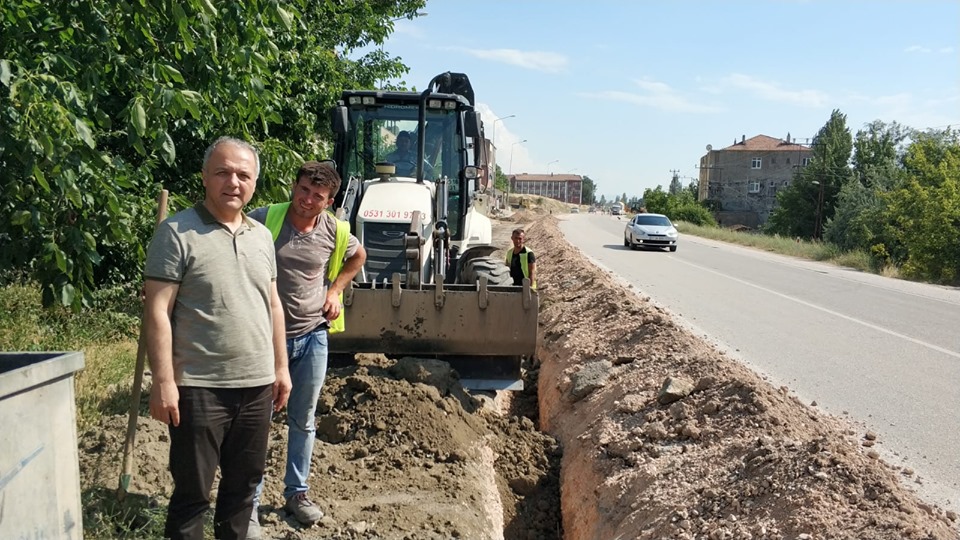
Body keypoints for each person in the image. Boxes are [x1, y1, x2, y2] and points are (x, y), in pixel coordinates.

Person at [143, 136, 292, 540]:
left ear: (254, 184)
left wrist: (280, 367)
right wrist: (163, 382)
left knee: (243, 493)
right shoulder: (177, 233)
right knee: (192, 496)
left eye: (243, 175)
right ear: (206, 177)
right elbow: (157, 311)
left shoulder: (261, 236)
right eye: (223, 172)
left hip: (257, 387)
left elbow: (273, 305)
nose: (233, 182)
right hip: (199, 388)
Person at [247, 161, 366, 537]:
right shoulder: (266, 219)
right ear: (293, 187)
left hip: (313, 335)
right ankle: (248, 502)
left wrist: (334, 291)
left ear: (329, 201)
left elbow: (357, 257)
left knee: (304, 418)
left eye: (317, 196)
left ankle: (296, 493)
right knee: (257, 422)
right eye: (303, 190)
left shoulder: (335, 230)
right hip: (266, 338)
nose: (307, 200)